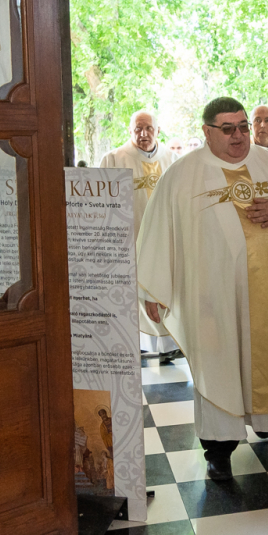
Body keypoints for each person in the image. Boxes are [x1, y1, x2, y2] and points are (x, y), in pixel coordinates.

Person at [138, 97, 268, 480]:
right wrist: (154, 291)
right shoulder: (183, 174)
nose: (238, 136)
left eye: (243, 127)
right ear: (207, 132)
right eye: (228, 129)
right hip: (211, 298)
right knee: (218, 369)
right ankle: (218, 450)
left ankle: (265, 418)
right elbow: (158, 230)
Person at [99, 110, 180, 360]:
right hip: (129, 241)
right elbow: (102, 205)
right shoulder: (114, 159)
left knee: (164, 286)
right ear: (130, 130)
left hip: (165, 240)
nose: (143, 134)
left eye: (148, 128)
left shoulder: (174, 160)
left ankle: (171, 344)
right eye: (138, 129)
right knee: (134, 294)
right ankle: (138, 344)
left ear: (158, 130)